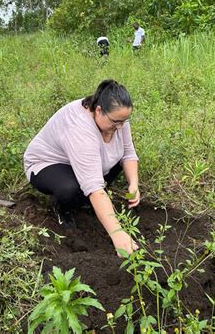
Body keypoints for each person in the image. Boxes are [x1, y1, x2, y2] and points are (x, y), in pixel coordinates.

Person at [23, 80, 140, 256]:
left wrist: (134, 184)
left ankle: (89, 203)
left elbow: (128, 153)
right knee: (70, 189)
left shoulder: (117, 117)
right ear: (99, 110)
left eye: (124, 121)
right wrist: (118, 235)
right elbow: (93, 187)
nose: (121, 126)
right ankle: (62, 208)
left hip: (85, 161)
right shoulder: (79, 128)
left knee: (113, 165)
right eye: (116, 122)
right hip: (47, 164)